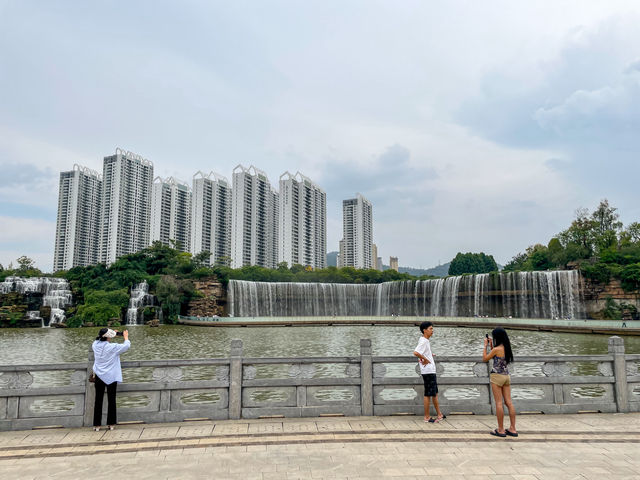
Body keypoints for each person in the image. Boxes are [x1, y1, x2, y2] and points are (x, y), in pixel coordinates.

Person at [92, 328, 130, 431]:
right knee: (111, 400)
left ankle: (96, 425)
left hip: (99, 376)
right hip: (111, 376)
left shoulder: (95, 345)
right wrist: (125, 337)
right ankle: (111, 424)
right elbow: (126, 346)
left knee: (98, 400)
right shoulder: (113, 347)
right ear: (108, 337)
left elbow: (102, 340)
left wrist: (112, 335)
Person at [483, 327, 517, 438]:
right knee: (509, 402)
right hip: (506, 376)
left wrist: (485, 346)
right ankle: (513, 429)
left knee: (499, 403)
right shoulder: (507, 348)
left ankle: (501, 429)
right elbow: (497, 356)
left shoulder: (496, 350)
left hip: (496, 376)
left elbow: (485, 358)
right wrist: (492, 345)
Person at [413, 321, 445, 423]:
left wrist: (429, 355)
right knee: (428, 394)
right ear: (424, 330)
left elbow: (422, 351)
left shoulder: (424, 340)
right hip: (428, 371)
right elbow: (416, 352)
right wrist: (425, 359)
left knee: (434, 393)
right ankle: (427, 417)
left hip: (429, 370)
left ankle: (439, 414)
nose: (432, 330)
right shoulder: (424, 341)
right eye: (430, 329)